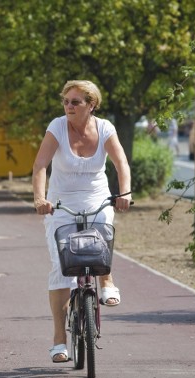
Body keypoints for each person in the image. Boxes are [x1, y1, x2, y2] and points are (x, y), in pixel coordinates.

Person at [32, 80, 132, 363]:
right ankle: (59, 340)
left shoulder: (105, 129)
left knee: (101, 233)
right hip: (61, 203)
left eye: (75, 102)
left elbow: (121, 163)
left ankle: (107, 280)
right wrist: (40, 200)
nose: (69, 107)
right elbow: (40, 165)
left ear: (91, 105)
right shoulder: (57, 127)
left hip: (96, 197)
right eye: (66, 102)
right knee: (62, 267)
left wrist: (124, 193)